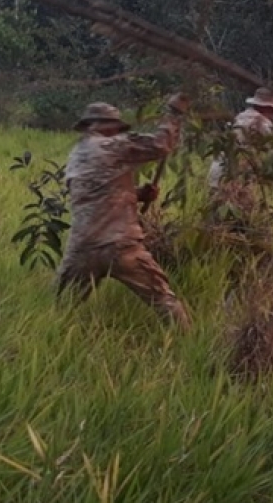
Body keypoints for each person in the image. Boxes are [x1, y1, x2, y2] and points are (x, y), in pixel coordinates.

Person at [55, 94, 192, 328]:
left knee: (63, 309)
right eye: (115, 127)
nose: (118, 132)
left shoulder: (77, 155)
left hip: (83, 247)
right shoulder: (112, 145)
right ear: (105, 126)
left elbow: (96, 193)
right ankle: (190, 343)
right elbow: (161, 145)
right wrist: (174, 113)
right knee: (163, 300)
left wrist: (138, 194)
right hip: (120, 244)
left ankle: (52, 345)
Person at [207, 87, 273, 190]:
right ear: (268, 108)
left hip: (218, 171)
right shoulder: (261, 123)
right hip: (232, 175)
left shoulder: (240, 117)